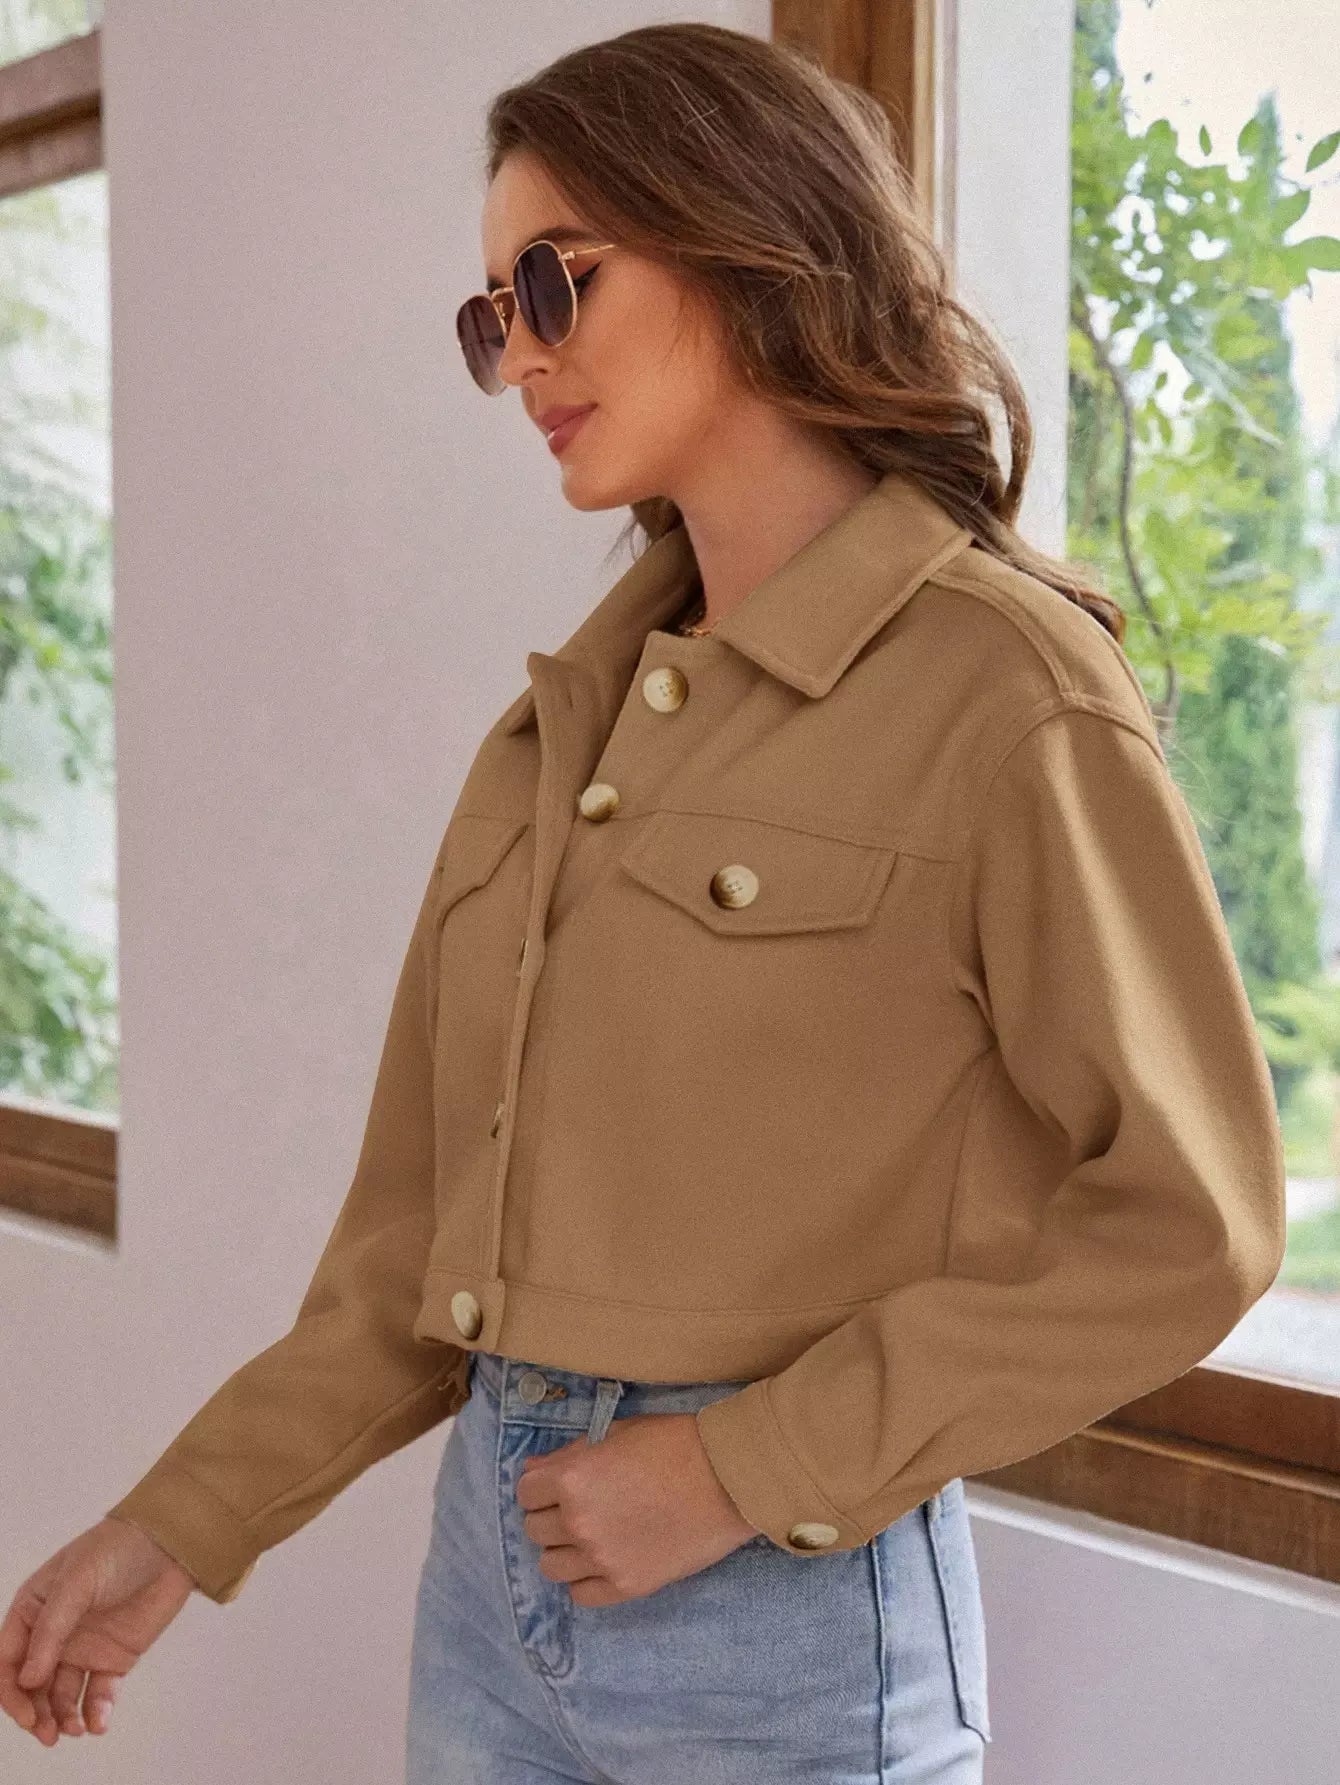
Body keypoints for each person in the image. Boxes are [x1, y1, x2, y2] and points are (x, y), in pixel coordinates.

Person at [0, 21, 1286, 1782]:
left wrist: (743, 1468)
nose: (522, 357)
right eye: (492, 318)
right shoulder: (562, 729)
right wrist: (175, 1527)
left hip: (787, 1631)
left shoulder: (1007, 694)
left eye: (554, 281)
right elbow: (414, 1256)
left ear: (747, 235)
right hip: (489, 1592)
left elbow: (1189, 1222)